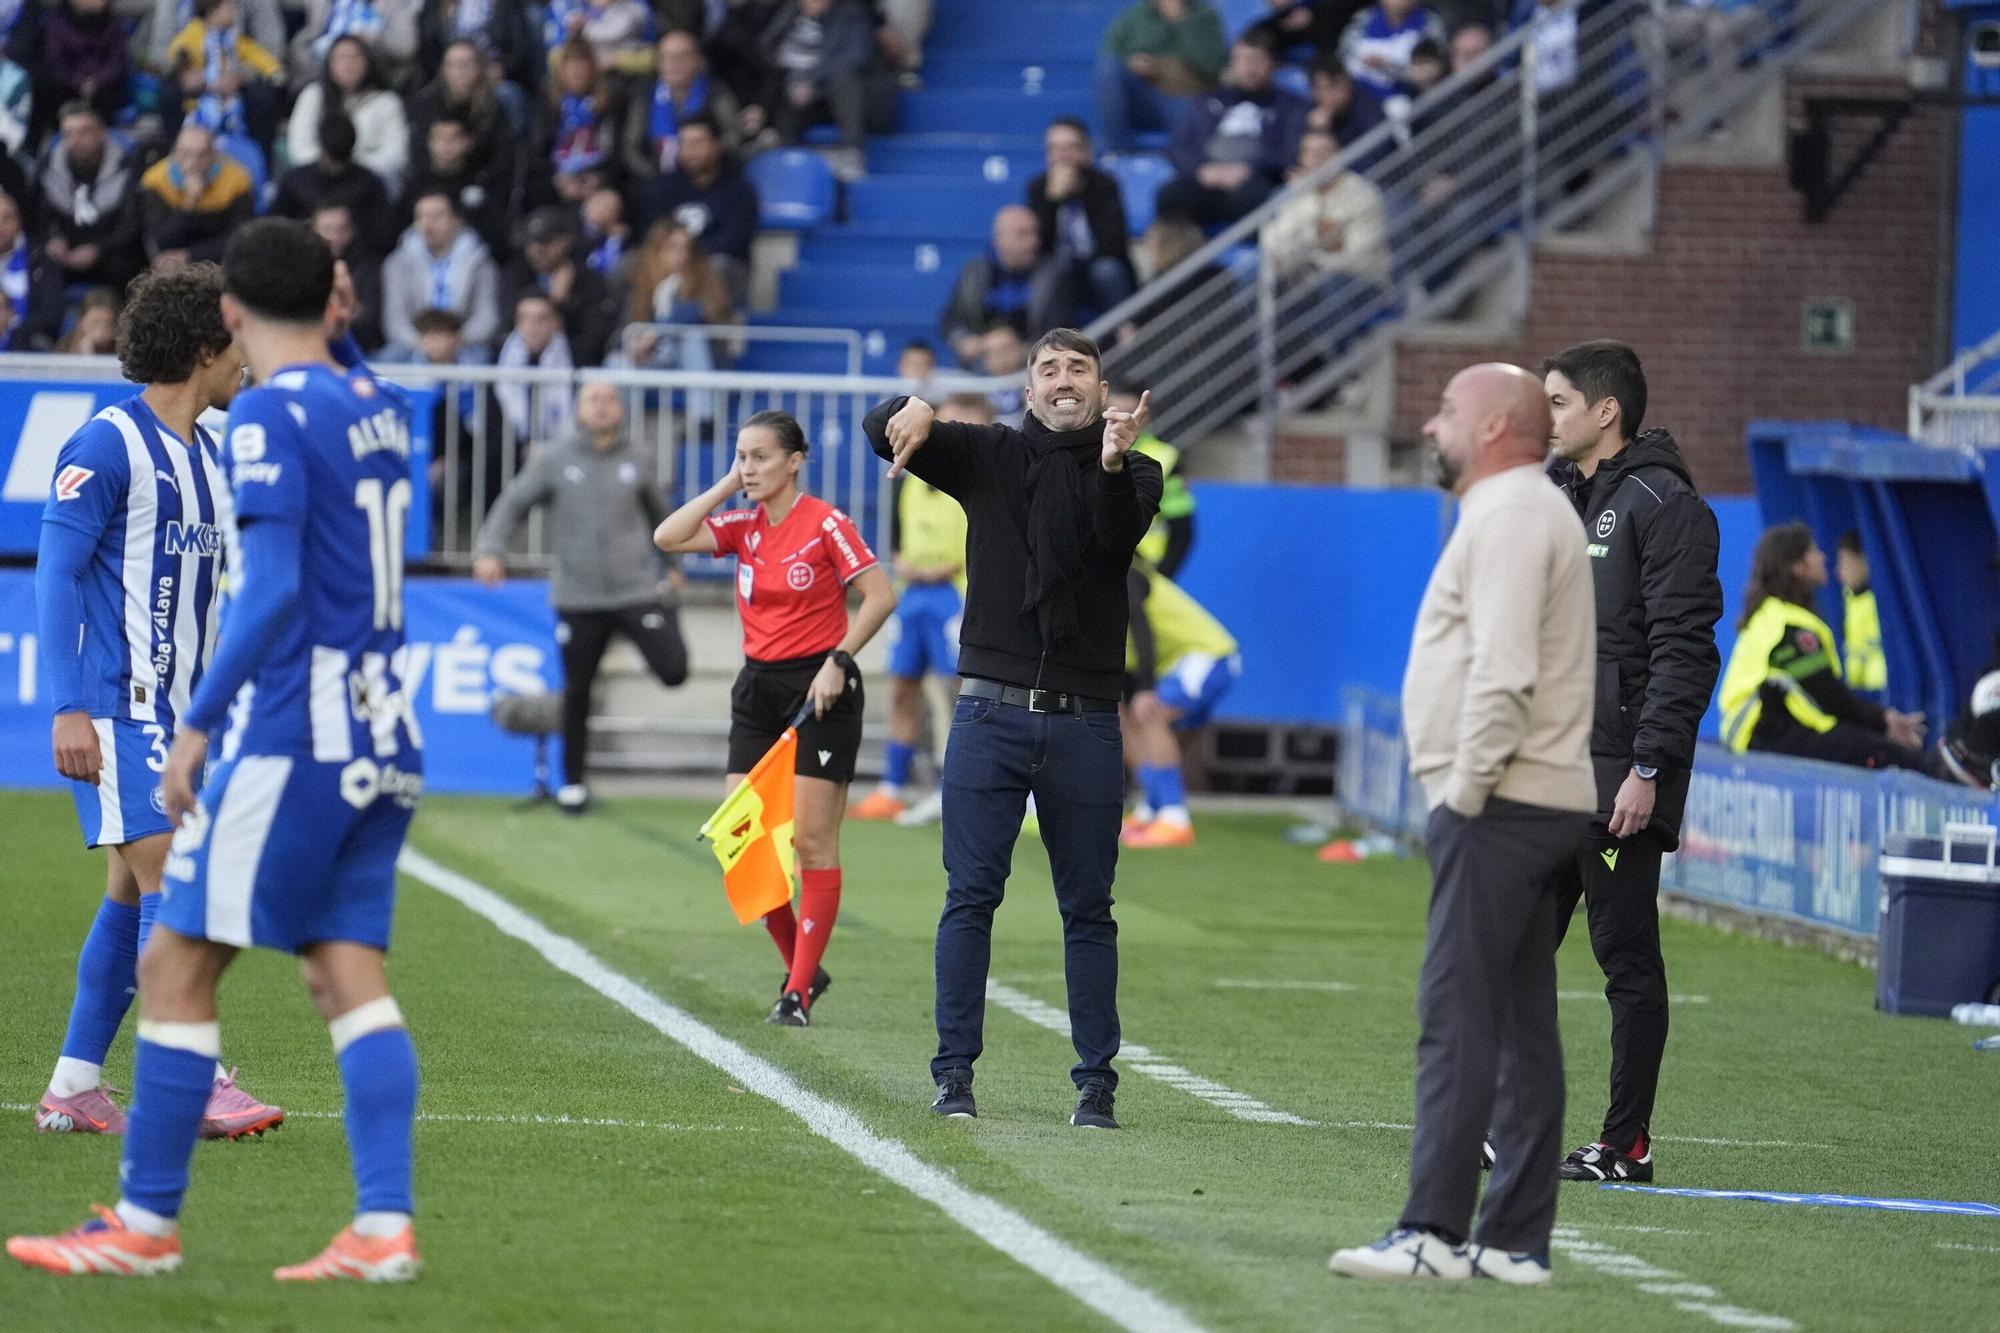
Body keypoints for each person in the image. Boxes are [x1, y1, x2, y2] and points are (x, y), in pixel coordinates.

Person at [7, 220, 427, 1283]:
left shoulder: (245, 429)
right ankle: (373, 1222)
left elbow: (273, 583)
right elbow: (55, 576)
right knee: (287, 953)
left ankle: (136, 1201)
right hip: (166, 708)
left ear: (239, 314)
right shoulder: (360, 409)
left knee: (168, 941)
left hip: (270, 725)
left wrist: (204, 724)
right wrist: (69, 701)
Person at [1330, 362, 1594, 1285]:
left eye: (1446, 411)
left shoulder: (1515, 511)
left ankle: (1431, 1231)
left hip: (1503, 804)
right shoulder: (1520, 508)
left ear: (1492, 428)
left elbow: (1506, 669)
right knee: (1521, 1027)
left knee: (1457, 1016)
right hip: (1528, 801)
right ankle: (1515, 1242)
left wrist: (1465, 792)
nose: (1430, 426)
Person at [864, 329, 1163, 1129]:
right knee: (970, 895)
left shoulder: (1136, 470)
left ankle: (1095, 1083)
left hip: (1087, 723)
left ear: (1101, 392)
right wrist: (914, 406)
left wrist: (1103, 463)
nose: (1064, 380)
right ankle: (953, 1073)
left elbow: (1110, 540)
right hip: (988, 713)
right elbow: (877, 428)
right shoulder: (990, 454)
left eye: (1080, 370)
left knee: (1088, 906)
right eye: (1049, 369)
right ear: (1028, 390)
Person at [25, 261, 283, 1144]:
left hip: (171, 725)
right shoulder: (106, 443)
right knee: (178, 888)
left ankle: (74, 1086)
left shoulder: (210, 458)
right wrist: (67, 705)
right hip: (113, 710)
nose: (246, 358)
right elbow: (55, 575)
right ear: (203, 349)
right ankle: (195, 1079)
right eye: (235, 342)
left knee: (130, 901)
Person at [1539, 339, 1722, 1186]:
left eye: (1559, 403)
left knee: (1625, 958)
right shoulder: (1555, 497)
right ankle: (1513, 1122)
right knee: (1507, 948)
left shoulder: (1665, 502)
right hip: (1546, 770)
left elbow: (1685, 649)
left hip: (1618, 778)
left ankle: (1625, 1143)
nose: (1549, 418)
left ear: (1605, 411)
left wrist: (1649, 767)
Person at [654, 410, 897, 1026]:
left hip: (820, 686)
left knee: (812, 845)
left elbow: (879, 595)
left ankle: (795, 995)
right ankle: (804, 969)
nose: (749, 467)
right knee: (740, 842)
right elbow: (668, 537)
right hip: (757, 689)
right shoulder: (744, 526)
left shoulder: (826, 524)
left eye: (760, 456)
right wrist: (726, 485)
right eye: (742, 456)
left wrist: (839, 659)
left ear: (795, 461)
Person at [474, 380, 689, 814]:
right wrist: (490, 550)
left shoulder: (638, 456)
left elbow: (660, 513)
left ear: (621, 408)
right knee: (578, 690)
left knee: (674, 669)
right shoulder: (555, 458)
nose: (602, 407)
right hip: (578, 595)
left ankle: (660, 615)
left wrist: (673, 563)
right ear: (577, 409)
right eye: (593, 399)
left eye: (609, 399)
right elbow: (513, 503)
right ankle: (572, 783)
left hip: (634, 589)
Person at [851, 391, 984, 824]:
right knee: (903, 688)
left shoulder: (982, 478)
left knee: (962, 694)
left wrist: (951, 566)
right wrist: (904, 561)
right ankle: (892, 786)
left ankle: (957, 790)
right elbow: (900, 535)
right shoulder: (911, 478)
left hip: (957, 595)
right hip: (913, 596)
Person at [1719, 523, 1946, 777]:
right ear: (1797, 566)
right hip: (1762, 733)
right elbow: (1829, 697)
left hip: (1761, 731)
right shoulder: (1791, 628)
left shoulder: (1773, 615)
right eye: (1813, 551)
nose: (1822, 557)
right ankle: (1942, 776)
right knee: (1874, 749)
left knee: (1860, 741)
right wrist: (1883, 721)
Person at [1120, 558, 1239, 848]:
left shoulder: (1126, 573)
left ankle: (1174, 818)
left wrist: (1146, 688)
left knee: (1152, 716)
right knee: (1123, 720)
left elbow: (1139, 623)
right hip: (1172, 666)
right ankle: (1152, 808)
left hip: (1207, 655)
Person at [1155, 33, 1309, 228]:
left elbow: (1291, 150)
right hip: (1206, 179)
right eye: (1241, 60)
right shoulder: (1208, 101)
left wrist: (1249, 169)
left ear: (1271, 63)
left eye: (1255, 60)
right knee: (1171, 196)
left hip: (1255, 180)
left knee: (1255, 199)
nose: (1248, 68)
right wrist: (1200, 169)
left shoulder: (1291, 106)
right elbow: (1178, 147)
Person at [757, 0, 891, 179]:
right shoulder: (791, 13)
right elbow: (766, 46)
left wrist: (811, 79)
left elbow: (856, 57)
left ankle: (851, 152)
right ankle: (782, 150)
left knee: (843, 76)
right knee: (780, 82)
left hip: (853, 98)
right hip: (805, 95)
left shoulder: (853, 13)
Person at [641, 113, 759, 301]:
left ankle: (702, 326)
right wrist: (672, 256)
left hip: (720, 264)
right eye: (684, 144)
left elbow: (736, 240)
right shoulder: (664, 185)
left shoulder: (740, 189)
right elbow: (654, 229)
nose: (690, 151)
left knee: (717, 266)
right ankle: (633, 326)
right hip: (669, 260)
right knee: (630, 264)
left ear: (717, 145)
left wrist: (688, 257)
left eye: (697, 143)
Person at [938, 204, 1075, 367]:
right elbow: (950, 321)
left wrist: (1021, 350)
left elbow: (1061, 330)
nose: (1034, 242)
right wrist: (966, 342)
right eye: (1023, 234)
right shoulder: (974, 272)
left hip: (1034, 365)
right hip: (981, 361)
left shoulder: (1053, 275)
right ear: (1000, 238)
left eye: (1035, 233)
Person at [1026, 118, 1134, 320]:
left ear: (1087, 151)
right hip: (1058, 267)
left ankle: (1125, 332)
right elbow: (1037, 245)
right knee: (1049, 274)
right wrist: (1053, 200)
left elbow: (1114, 243)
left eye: (1070, 148)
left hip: (1096, 263)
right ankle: (1048, 345)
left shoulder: (1104, 184)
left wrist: (1079, 192)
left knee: (1107, 271)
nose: (1063, 157)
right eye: (1055, 149)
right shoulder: (1038, 188)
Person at [381, 189, 503, 358]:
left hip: (464, 343)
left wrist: (456, 341)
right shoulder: (397, 262)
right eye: (421, 217)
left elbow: (487, 317)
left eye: (436, 216)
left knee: (481, 357)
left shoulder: (480, 260)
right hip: (415, 343)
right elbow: (395, 320)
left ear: (457, 220)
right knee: (390, 358)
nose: (427, 224)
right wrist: (423, 343)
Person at [37, 102, 145, 292]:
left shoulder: (127, 165)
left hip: (111, 251)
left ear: (102, 132)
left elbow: (131, 223)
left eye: (84, 132)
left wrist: (99, 249)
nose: (76, 140)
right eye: (68, 134)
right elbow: (39, 217)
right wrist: (52, 239)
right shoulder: (50, 166)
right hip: (66, 251)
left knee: (124, 267)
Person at [1095, 0, 1227, 153]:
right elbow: (1109, 54)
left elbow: (1212, 65)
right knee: (1108, 70)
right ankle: (1118, 153)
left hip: (1186, 97)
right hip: (1144, 96)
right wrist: (1132, 62)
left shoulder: (1205, 15)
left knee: (1200, 117)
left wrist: (1181, 20)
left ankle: (1192, 164)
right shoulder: (1134, 16)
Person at [286, 34, 412, 195]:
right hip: (319, 182)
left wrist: (351, 168)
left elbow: (396, 155)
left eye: (356, 56)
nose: (349, 63)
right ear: (329, 63)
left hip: (370, 184)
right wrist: (331, 166)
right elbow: (300, 148)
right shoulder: (313, 96)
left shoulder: (387, 101)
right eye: (342, 57)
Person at [621, 29, 746, 187]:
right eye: (667, 57)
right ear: (659, 63)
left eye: (682, 56)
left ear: (697, 60)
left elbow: (733, 135)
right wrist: (654, 176)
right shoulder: (644, 95)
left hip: (708, 180)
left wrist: (708, 159)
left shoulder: (716, 92)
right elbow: (631, 148)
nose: (674, 63)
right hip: (656, 181)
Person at [162, 0, 286, 150]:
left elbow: (272, 48)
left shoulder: (239, 38)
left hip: (241, 74)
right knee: (169, 95)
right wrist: (184, 73)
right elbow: (162, 50)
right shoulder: (190, 32)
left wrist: (239, 75)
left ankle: (256, 165)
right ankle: (179, 161)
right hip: (191, 75)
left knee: (262, 100)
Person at [273, 110, 397, 257]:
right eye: (331, 157)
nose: (335, 167)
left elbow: (383, 238)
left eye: (341, 159)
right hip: (302, 259)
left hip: (357, 262)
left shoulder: (368, 185)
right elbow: (277, 229)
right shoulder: (296, 182)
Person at [504, 206, 617, 366]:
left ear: (565, 241)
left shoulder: (589, 281)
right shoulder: (516, 274)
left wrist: (562, 306)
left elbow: (592, 339)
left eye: (545, 241)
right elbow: (508, 323)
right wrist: (555, 299)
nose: (536, 249)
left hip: (573, 368)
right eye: (531, 242)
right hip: (519, 364)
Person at [138, 123, 258, 270]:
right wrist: (189, 204)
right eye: (185, 154)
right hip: (170, 263)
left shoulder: (237, 180)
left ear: (213, 155)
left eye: (201, 155)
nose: (192, 163)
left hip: (219, 262)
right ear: (174, 152)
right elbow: (159, 241)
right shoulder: (155, 181)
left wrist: (191, 255)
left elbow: (239, 238)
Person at [398, 112, 513, 259]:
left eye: (453, 138)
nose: (446, 145)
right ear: (429, 143)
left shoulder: (483, 180)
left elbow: (497, 233)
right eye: (439, 138)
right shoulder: (416, 183)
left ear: (468, 142)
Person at [1114, 382, 1196, 578]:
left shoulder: (1166, 457)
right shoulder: (1086, 453)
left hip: (1144, 573)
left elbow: (1181, 533)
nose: (1122, 420)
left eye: (1131, 413)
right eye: (1115, 412)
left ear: (1146, 415)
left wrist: (1157, 580)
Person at [495, 292, 576, 443]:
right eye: (525, 319)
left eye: (542, 319)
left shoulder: (576, 360)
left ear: (556, 322)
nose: (533, 326)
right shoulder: (498, 362)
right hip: (509, 455)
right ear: (517, 324)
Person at [311, 203, 385, 351]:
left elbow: (369, 318)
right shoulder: (301, 267)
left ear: (351, 231)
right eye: (327, 230)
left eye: (340, 229)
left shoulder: (369, 267)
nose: (333, 237)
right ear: (313, 231)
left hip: (364, 347)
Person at [0, 190, 68, 350]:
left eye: (7, 218)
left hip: (23, 342)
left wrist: (12, 329)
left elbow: (51, 313)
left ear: (18, 222)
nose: (0, 226)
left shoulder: (41, 260)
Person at [1340, 0, 1447, 99]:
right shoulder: (1363, 20)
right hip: (1362, 99)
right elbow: (1343, 57)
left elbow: (1431, 70)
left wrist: (1387, 66)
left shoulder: (1429, 24)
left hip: (1413, 98)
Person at [1836, 530, 1885, 699]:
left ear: (1866, 561)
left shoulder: (1881, 601)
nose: (1840, 572)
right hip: (1862, 692)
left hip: (1884, 690)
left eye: (1846, 563)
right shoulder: (1850, 601)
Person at [56, 286, 120, 355]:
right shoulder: (64, 348)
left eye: (108, 324)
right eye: (95, 323)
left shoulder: (122, 350)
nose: (101, 331)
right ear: (81, 321)